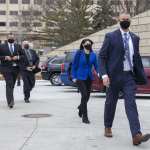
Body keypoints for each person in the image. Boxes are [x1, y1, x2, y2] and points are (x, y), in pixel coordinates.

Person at [99, 13, 150, 145]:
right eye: (123, 20)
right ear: (118, 21)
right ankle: (108, 126)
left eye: (127, 19)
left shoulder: (135, 38)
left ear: (130, 21)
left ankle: (136, 135)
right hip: (113, 76)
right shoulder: (110, 36)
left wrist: (139, 74)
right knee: (111, 103)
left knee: (131, 104)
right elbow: (102, 57)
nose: (125, 21)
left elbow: (136, 57)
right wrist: (104, 75)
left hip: (129, 76)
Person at [72, 39, 98, 124]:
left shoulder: (93, 55)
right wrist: (74, 76)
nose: (88, 44)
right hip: (80, 77)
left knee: (87, 97)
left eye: (90, 43)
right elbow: (74, 65)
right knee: (84, 95)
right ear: (83, 45)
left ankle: (81, 108)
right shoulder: (79, 53)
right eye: (87, 43)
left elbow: (96, 66)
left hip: (89, 77)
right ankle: (85, 116)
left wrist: (100, 73)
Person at [0, 33, 24, 109]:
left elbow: (23, 56)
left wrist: (18, 57)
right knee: (9, 83)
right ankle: (11, 101)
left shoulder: (18, 46)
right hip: (6, 68)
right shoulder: (2, 46)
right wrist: (5, 57)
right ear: (7, 38)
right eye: (10, 37)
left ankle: (9, 98)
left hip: (15, 68)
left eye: (12, 37)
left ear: (14, 38)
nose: (11, 39)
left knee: (11, 85)